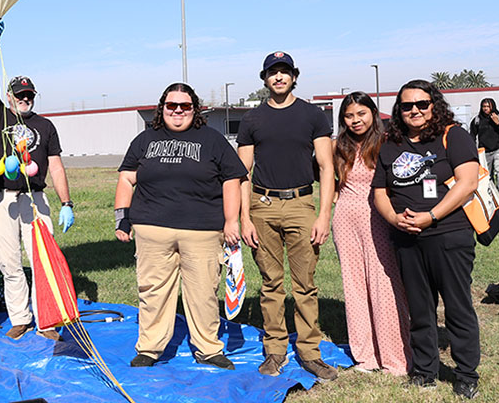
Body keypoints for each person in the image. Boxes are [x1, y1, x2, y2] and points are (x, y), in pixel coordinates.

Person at [115, 83, 245, 370]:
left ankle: (209, 349)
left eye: (184, 106)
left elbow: (232, 179)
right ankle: (150, 348)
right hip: (152, 229)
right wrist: (121, 218)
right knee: (153, 291)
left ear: (194, 109)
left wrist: (231, 221)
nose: (177, 111)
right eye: (171, 105)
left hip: (202, 231)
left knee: (203, 292)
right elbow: (126, 179)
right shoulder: (144, 140)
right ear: (162, 108)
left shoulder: (212, 140)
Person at [372, 80, 480, 399]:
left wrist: (431, 216)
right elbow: (379, 191)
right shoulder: (390, 142)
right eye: (407, 106)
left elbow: (468, 182)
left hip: (448, 234)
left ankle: (465, 373)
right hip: (406, 238)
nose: (415, 110)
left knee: (457, 306)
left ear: (434, 104)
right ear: (399, 110)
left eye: (422, 104)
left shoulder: (452, 135)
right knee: (420, 309)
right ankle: (425, 369)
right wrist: (394, 219)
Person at [236, 51, 338, 382]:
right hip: (262, 206)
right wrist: (244, 218)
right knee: (271, 283)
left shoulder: (312, 115)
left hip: (301, 205)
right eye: (272, 73)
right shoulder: (252, 119)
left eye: (284, 72)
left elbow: (326, 166)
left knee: (305, 284)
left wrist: (324, 215)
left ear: (294, 76)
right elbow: (242, 172)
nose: (278, 77)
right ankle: (275, 350)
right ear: (264, 78)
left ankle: (310, 352)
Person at [0, 17, 74, 340]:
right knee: (8, 261)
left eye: (29, 96)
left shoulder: (46, 126)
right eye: (19, 95)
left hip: (35, 198)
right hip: (3, 197)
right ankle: (20, 318)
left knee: (42, 260)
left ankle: (47, 321)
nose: (24, 100)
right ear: (9, 97)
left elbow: (57, 165)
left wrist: (66, 202)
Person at [331, 92, 410, 375]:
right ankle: (366, 355)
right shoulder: (337, 146)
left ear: (373, 113)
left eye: (361, 114)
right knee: (354, 288)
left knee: (384, 284)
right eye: (349, 116)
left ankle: (396, 357)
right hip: (345, 219)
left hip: (379, 216)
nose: (355, 121)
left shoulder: (388, 143)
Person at [469, 97, 499, 198]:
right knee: (488, 175)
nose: (486, 109)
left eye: (488, 106)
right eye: (484, 107)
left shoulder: (498, 117)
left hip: (498, 149)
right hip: (484, 151)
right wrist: (473, 150)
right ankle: (491, 194)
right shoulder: (477, 120)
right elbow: (472, 136)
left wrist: (498, 123)